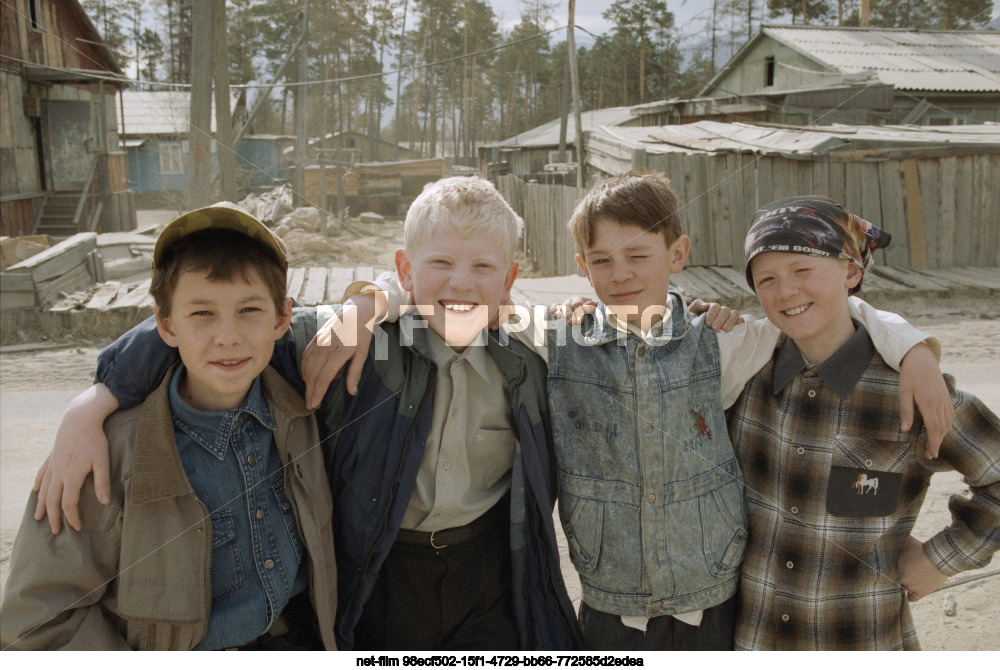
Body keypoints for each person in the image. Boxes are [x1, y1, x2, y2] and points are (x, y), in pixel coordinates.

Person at [304, 171, 951, 650]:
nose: (621, 275)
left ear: (677, 254)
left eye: (639, 256)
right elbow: (455, 288)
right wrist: (373, 298)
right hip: (610, 609)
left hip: (713, 605)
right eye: (602, 261)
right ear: (580, 266)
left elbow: (813, 314)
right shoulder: (555, 338)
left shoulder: (722, 343)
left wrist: (912, 346)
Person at [29, 178, 582, 651]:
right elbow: (223, 323)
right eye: (441, 263)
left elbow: (616, 329)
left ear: (508, 281)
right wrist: (96, 400)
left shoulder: (529, 358)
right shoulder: (348, 341)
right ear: (405, 270)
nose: (462, 282)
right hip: (378, 568)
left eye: (483, 267)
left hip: (487, 568)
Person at [0, 203, 338, 650]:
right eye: (201, 314)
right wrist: (87, 407)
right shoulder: (108, 454)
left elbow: (396, 320)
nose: (228, 336)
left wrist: (374, 301)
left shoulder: (307, 408)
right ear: (165, 324)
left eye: (249, 310)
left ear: (281, 319)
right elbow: (37, 622)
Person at [729, 195, 1000, 650]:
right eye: (767, 279)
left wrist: (939, 560)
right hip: (753, 641)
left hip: (866, 640)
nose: (786, 292)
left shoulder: (911, 389)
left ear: (852, 272)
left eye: (803, 270)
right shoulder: (742, 374)